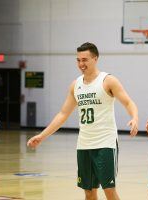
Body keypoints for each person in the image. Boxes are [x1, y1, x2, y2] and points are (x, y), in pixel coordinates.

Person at [27, 42, 138, 200]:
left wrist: (134, 117)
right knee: (89, 192)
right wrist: (42, 136)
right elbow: (62, 114)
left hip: (105, 144)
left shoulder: (108, 81)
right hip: (84, 145)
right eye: (78, 60)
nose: (81, 64)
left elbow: (128, 102)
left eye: (85, 60)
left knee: (109, 190)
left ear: (95, 58)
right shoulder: (76, 85)